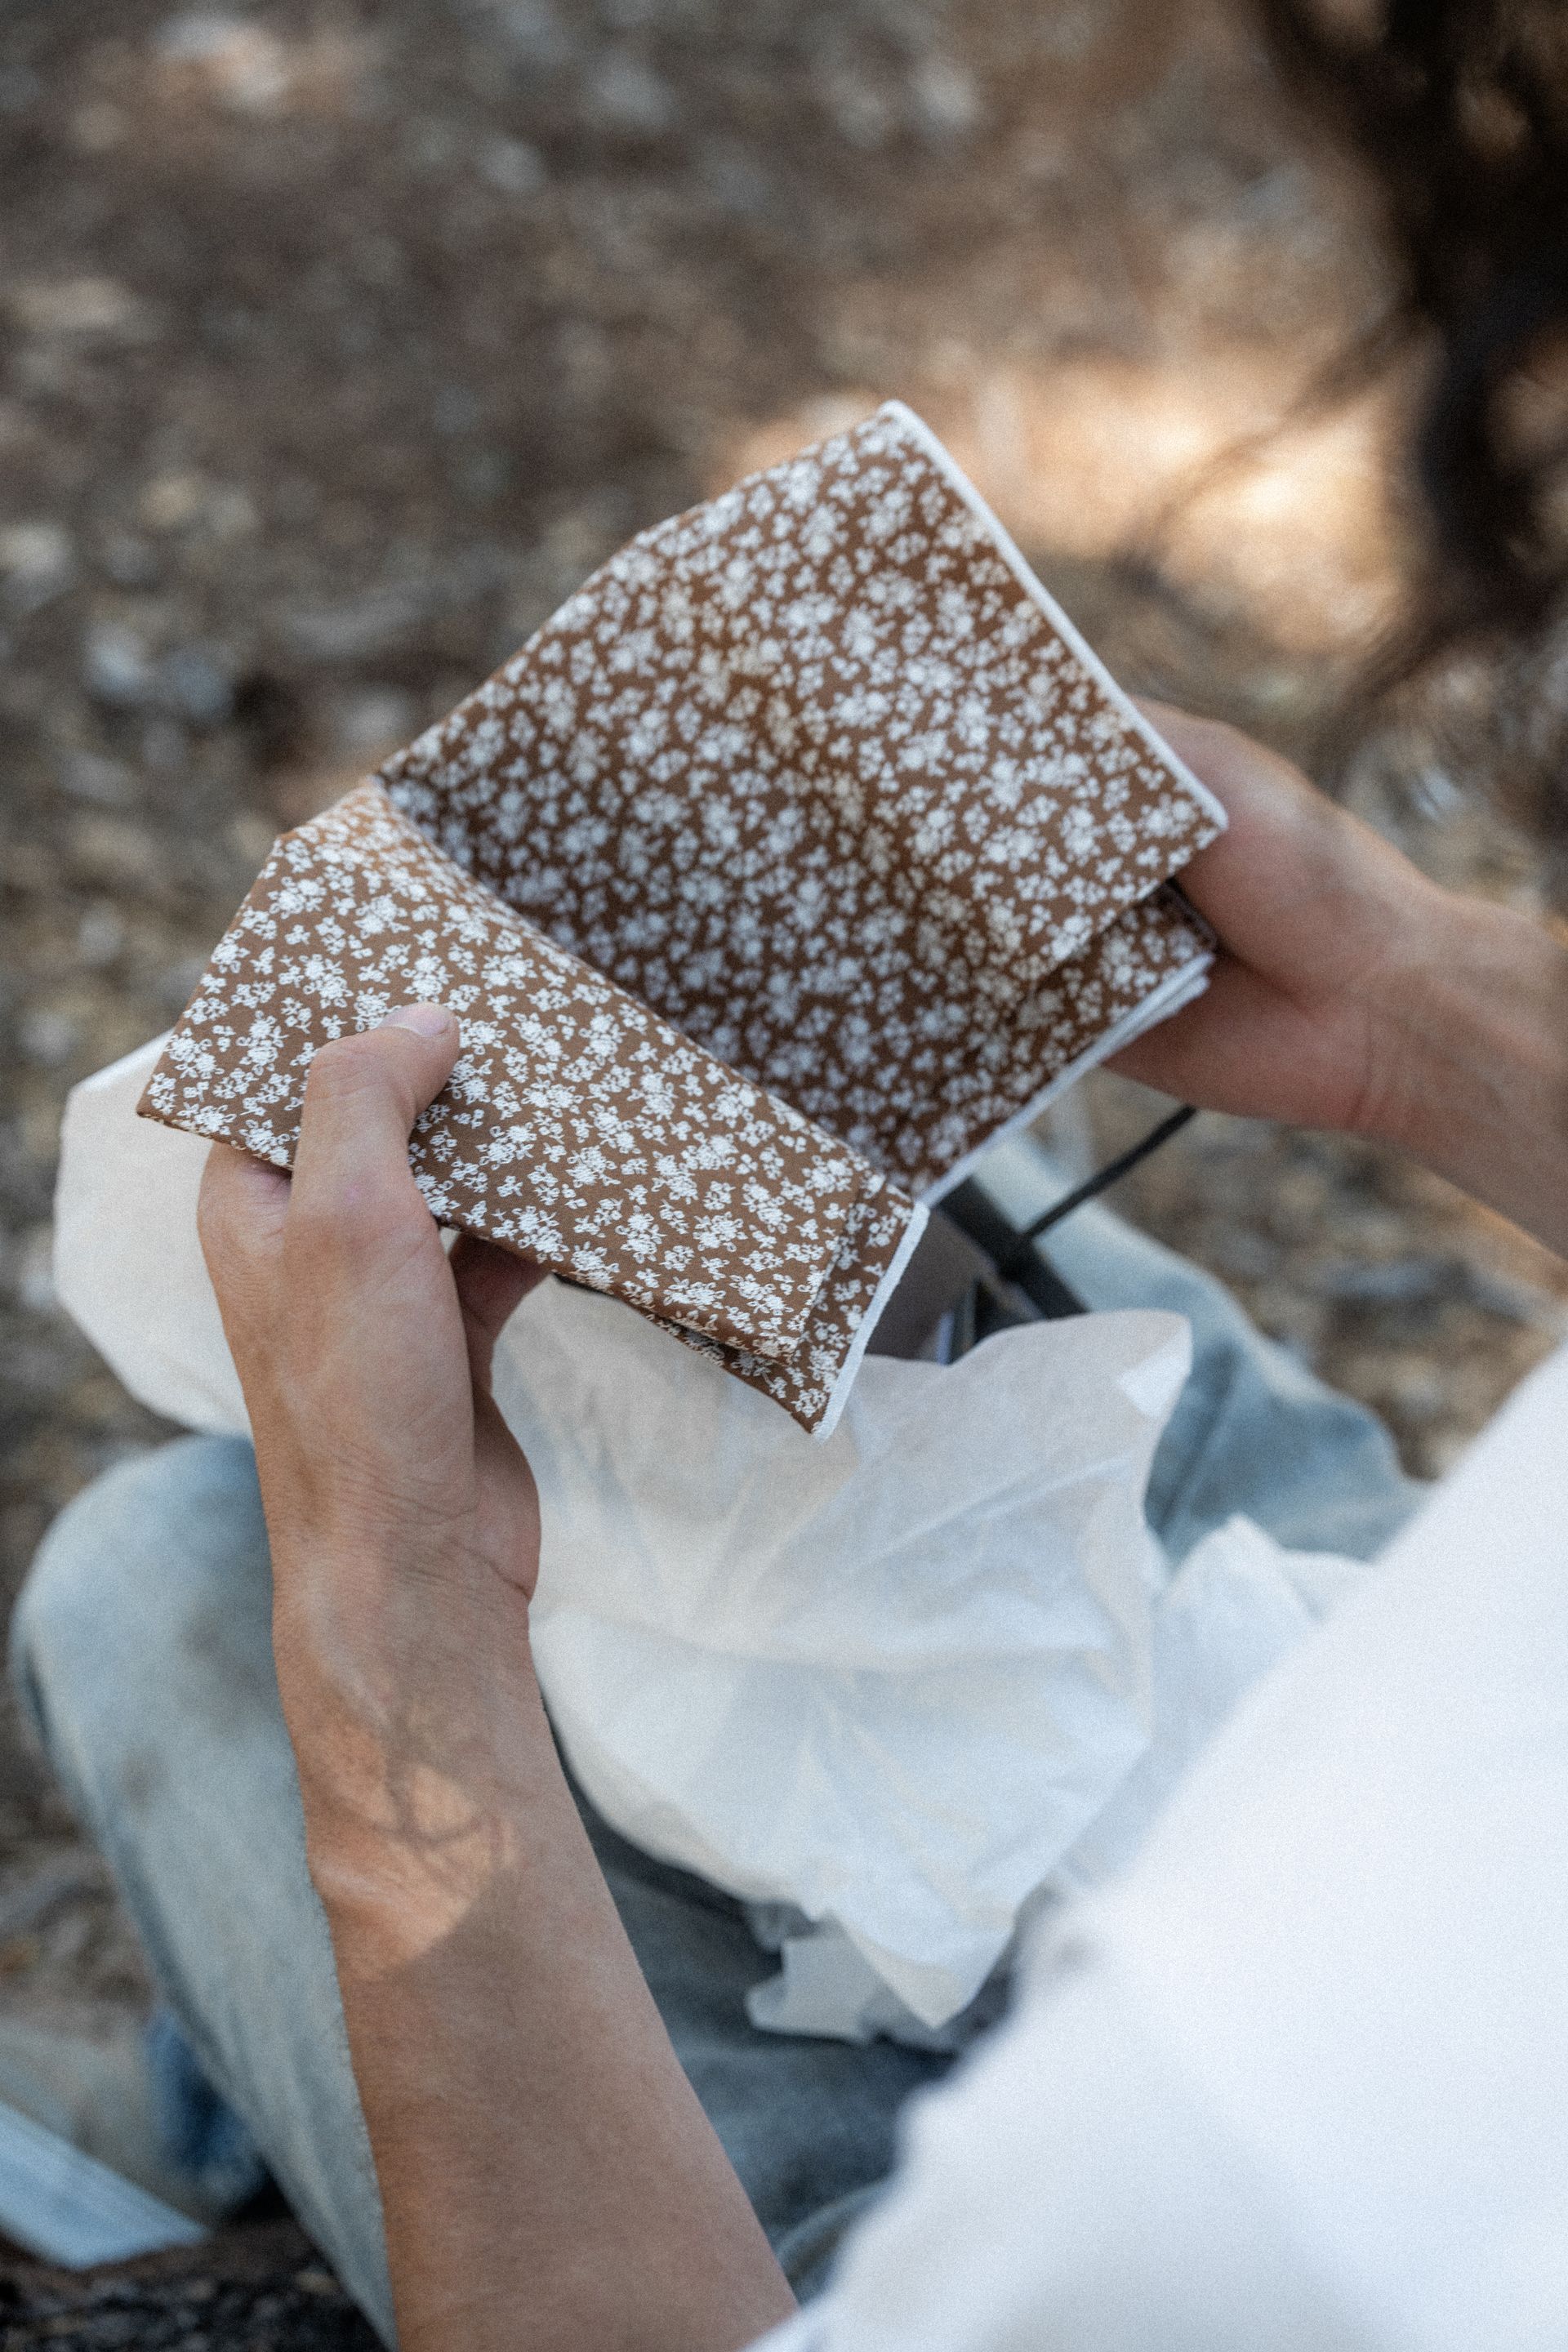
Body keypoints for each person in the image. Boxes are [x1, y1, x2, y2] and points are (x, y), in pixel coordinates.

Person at [14, 2, 1568, 2341]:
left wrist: (393, 1668)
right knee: (970, 1297)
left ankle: (239, 2118)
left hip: (1079, 2153)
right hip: (1365, 1699)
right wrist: (1429, 1011)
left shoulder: (1214, 2209)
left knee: (159, 1574)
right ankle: (242, 2083)